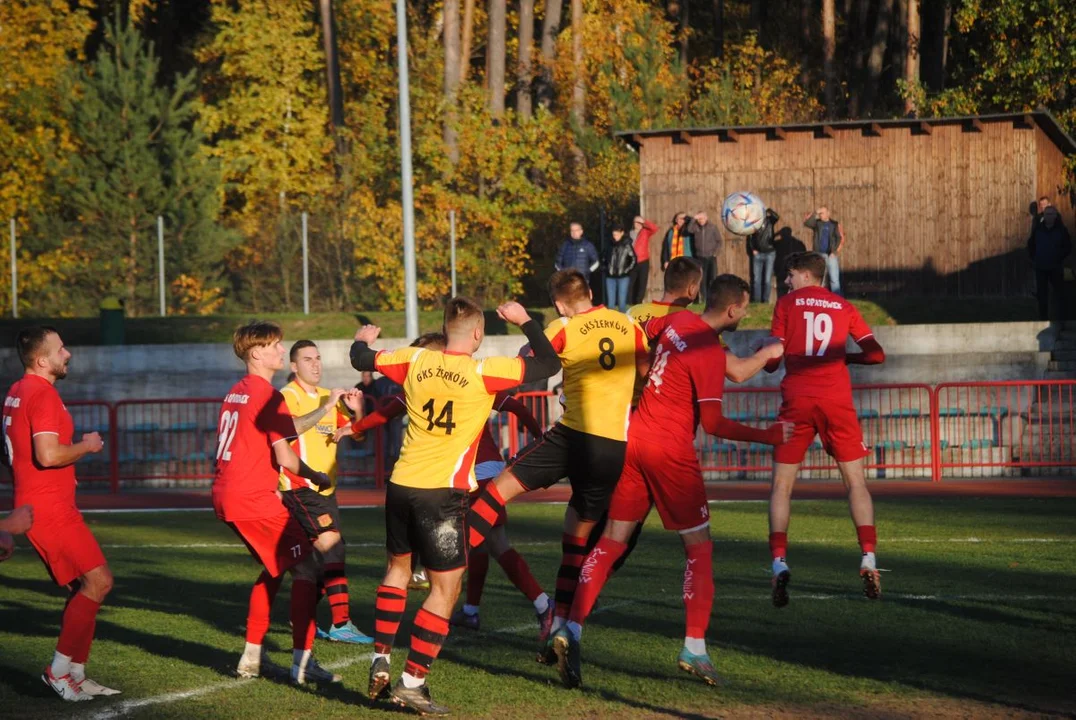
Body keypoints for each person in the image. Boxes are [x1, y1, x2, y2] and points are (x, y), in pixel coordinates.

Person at [550, 275, 790, 689]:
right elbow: (713, 424)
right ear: (732, 311)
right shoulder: (709, 353)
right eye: (745, 308)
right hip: (670, 452)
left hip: (635, 438)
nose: (746, 314)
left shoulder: (675, 323)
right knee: (699, 548)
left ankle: (570, 628)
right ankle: (694, 648)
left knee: (611, 541)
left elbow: (642, 347)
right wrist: (766, 435)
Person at [349, 298, 561, 716]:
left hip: (400, 484)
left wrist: (362, 341)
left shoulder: (413, 360)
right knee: (445, 590)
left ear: (446, 331)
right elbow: (550, 364)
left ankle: (380, 656)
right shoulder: (485, 371)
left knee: (397, 570)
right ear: (478, 335)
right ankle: (412, 683)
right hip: (442, 493)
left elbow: (361, 357)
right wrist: (526, 321)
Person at [465, 269, 647, 666]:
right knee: (575, 541)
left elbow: (529, 364)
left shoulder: (563, 326)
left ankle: (448, 560)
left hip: (572, 437)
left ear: (560, 304)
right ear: (592, 293)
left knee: (497, 491)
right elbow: (645, 375)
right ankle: (561, 627)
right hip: (611, 447)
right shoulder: (628, 325)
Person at [338, 335, 550, 632]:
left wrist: (355, 427)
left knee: (478, 544)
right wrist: (538, 438)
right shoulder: (473, 379)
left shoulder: (430, 382)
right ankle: (473, 610)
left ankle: (540, 603)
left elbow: (385, 414)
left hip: (468, 475)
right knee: (485, 545)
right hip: (485, 471)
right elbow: (518, 407)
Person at [213, 321, 338, 686]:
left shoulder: (237, 391)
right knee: (309, 568)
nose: (281, 351)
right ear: (256, 353)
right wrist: (316, 476)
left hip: (227, 493)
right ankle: (303, 662)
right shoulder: (269, 395)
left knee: (274, 568)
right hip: (251, 498)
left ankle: (252, 656)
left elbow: (263, 440)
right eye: (274, 346)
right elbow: (285, 456)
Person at [764, 252, 886, 608]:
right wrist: (845, 358)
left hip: (798, 398)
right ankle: (868, 557)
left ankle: (779, 561)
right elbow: (876, 354)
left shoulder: (786, 304)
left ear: (803, 274)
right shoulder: (843, 306)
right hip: (836, 399)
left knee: (782, 487)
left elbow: (773, 362)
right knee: (856, 483)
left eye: (789, 275)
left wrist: (763, 355)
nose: (786, 282)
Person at [2, 326, 118, 700]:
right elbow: (48, 455)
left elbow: (18, 455)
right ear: (42, 360)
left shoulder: (17, 392)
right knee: (99, 582)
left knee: (85, 587)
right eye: (60, 349)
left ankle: (76, 675)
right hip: (48, 509)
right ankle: (59, 671)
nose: (67, 354)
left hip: (40, 501)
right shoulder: (43, 394)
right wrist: (85, 446)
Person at [278, 340, 373, 644]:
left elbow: (355, 436)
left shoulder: (326, 396)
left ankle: (301, 616)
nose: (316, 365)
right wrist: (328, 407)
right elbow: (288, 429)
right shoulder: (286, 396)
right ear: (294, 366)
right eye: (307, 359)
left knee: (317, 562)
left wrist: (357, 413)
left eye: (318, 358)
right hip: (300, 488)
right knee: (333, 548)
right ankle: (341, 623)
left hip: (326, 491)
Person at [1027, 206, 1071, 323]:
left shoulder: (1061, 230)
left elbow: (1068, 247)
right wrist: (1034, 258)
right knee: (1042, 295)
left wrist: (1058, 257)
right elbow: (1031, 245)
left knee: (1059, 294)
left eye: (1051, 214)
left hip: (1055, 267)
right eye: (1047, 214)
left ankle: (1061, 319)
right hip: (1041, 267)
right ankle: (1043, 319)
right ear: (1044, 216)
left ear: (1055, 216)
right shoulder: (1038, 229)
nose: (1049, 216)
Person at [803, 207, 845, 296]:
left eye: (822, 213)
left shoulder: (834, 224)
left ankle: (837, 299)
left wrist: (834, 252)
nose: (820, 215)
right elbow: (807, 223)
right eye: (820, 213)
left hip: (831, 255)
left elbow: (839, 238)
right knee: (821, 278)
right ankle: (821, 298)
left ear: (828, 213)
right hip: (819, 255)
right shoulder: (817, 224)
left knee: (834, 280)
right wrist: (815, 213)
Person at [748, 208, 780, 303]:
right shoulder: (753, 223)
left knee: (767, 280)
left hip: (770, 253)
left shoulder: (770, 221)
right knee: (756, 280)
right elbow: (749, 237)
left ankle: (765, 301)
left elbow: (777, 216)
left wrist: (769, 210)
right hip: (757, 254)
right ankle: (757, 301)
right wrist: (752, 249)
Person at [604, 223, 636, 313]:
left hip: (623, 277)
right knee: (610, 305)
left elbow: (633, 259)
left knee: (622, 304)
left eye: (617, 234)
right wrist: (605, 267)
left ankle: (623, 322)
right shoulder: (609, 244)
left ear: (622, 233)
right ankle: (611, 323)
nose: (615, 236)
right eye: (614, 234)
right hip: (610, 277)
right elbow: (604, 257)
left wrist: (626, 270)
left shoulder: (627, 245)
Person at [628, 216, 659, 304]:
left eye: (639, 223)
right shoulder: (629, 234)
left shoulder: (645, 232)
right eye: (635, 222)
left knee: (642, 283)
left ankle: (639, 302)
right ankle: (630, 303)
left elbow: (655, 228)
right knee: (631, 283)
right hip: (631, 262)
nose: (637, 224)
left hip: (643, 261)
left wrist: (644, 221)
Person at [686, 212, 720, 292]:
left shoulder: (712, 227)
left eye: (702, 218)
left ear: (706, 218)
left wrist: (715, 252)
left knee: (712, 276)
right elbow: (689, 229)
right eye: (699, 219)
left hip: (711, 257)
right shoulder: (695, 227)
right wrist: (694, 218)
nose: (700, 221)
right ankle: (703, 298)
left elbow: (719, 241)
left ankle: (712, 295)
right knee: (702, 278)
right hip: (700, 257)